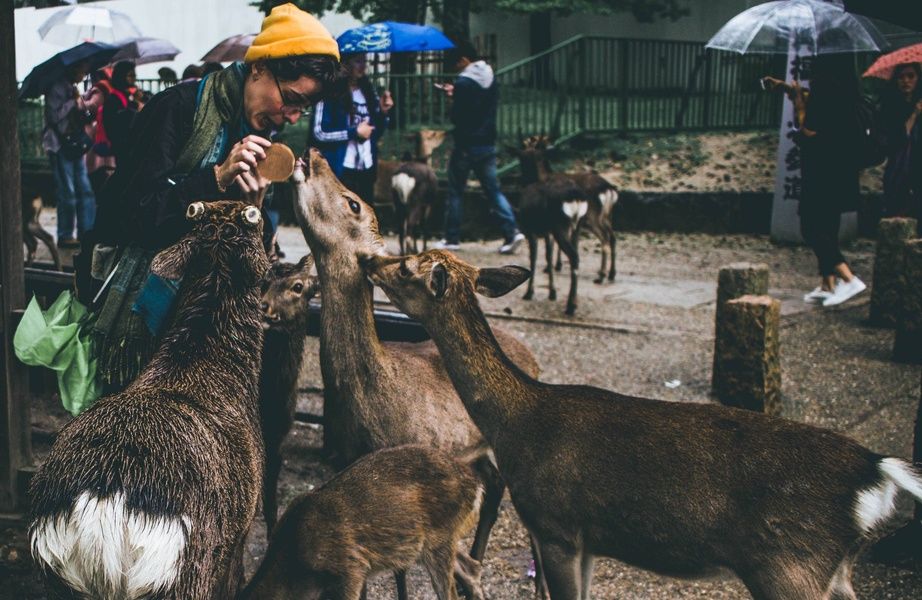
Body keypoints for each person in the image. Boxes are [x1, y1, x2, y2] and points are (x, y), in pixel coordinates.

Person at [87, 2, 340, 391]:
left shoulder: (259, 134)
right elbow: (130, 216)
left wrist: (254, 209)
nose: (291, 116)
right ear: (259, 67)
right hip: (145, 320)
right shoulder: (179, 108)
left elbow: (254, 249)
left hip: (206, 324)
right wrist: (217, 178)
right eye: (290, 99)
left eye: (301, 109)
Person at [765, 51, 866, 307]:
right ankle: (827, 283)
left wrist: (799, 108)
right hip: (840, 170)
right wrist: (790, 89)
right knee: (827, 225)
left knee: (811, 226)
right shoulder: (847, 90)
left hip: (820, 170)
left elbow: (809, 131)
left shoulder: (825, 88)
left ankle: (848, 277)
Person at [435, 40, 524, 254]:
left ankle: (451, 238)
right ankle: (512, 231)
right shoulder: (490, 77)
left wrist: (453, 97)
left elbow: (458, 116)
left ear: (465, 60)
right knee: (493, 190)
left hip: (466, 144)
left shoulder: (464, 83)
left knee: (456, 191)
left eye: (456, 64)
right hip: (487, 143)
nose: (456, 69)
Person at [311, 52, 393, 203]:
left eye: (365, 61)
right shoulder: (330, 93)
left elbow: (375, 133)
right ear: (346, 63)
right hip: (340, 169)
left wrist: (383, 112)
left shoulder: (369, 92)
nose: (363, 66)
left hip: (366, 168)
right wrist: (353, 132)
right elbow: (318, 133)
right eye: (358, 61)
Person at [43, 60, 96, 249]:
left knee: (85, 190)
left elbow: (81, 113)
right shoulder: (57, 88)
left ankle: (87, 231)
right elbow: (54, 116)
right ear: (74, 69)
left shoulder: (72, 88)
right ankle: (65, 235)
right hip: (59, 145)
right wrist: (72, 102)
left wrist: (79, 102)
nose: (83, 75)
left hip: (74, 144)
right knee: (68, 192)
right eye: (82, 70)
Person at [881, 62, 922, 226]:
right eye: (901, 77)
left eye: (910, 76)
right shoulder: (890, 105)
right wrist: (914, 114)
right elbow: (896, 138)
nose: (906, 81)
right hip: (900, 163)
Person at [101, 60, 143, 165]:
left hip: (129, 145)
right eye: (130, 75)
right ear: (121, 76)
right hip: (123, 146)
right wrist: (136, 105)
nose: (134, 78)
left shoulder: (126, 95)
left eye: (134, 75)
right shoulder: (114, 98)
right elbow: (117, 123)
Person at [83, 67, 117, 195]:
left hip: (97, 130)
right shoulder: (111, 88)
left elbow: (92, 106)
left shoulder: (99, 88)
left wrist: (80, 100)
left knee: (97, 167)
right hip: (106, 129)